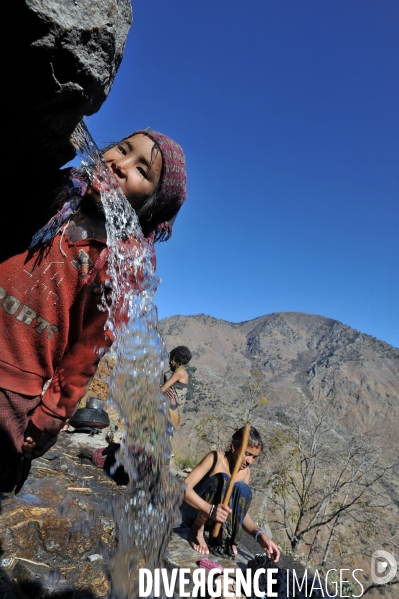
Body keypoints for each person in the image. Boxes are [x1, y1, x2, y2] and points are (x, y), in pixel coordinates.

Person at [0, 129, 187, 492]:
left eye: (141, 170)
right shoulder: (55, 195)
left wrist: (51, 415)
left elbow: (86, 353)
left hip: (13, 390)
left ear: (151, 204)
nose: (120, 164)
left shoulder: (120, 262)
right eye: (122, 149)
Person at [181, 426, 280, 560]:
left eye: (254, 457)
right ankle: (196, 531)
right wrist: (209, 510)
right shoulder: (216, 458)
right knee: (223, 479)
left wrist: (259, 535)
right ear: (234, 446)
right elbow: (184, 488)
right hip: (193, 512)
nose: (250, 461)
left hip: (215, 520)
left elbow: (240, 510)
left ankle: (226, 539)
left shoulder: (245, 473)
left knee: (243, 490)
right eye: (247, 454)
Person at [161, 345, 192, 428]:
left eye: (170, 358)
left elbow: (162, 389)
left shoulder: (179, 373)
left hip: (171, 413)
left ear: (174, 359)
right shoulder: (182, 373)